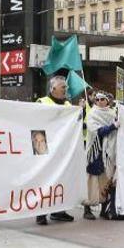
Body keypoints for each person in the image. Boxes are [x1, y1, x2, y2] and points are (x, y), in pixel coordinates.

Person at [34, 76, 76, 226]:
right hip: (44, 147)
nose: (66, 89)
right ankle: (40, 213)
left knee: (61, 179)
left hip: (61, 149)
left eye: (66, 87)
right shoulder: (42, 102)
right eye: (63, 87)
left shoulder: (68, 105)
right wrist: (40, 150)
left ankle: (59, 211)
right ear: (53, 89)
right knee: (44, 180)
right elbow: (35, 125)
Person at [83, 92, 118, 220]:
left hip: (109, 151)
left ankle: (104, 209)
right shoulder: (93, 113)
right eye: (97, 99)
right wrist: (112, 127)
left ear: (107, 101)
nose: (100, 101)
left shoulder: (112, 113)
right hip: (95, 151)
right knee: (91, 181)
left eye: (103, 99)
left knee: (106, 180)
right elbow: (96, 131)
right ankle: (87, 209)